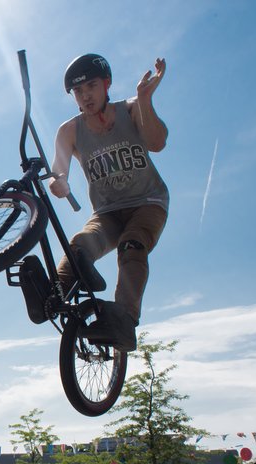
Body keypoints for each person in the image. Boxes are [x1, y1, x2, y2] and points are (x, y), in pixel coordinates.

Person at [48, 53, 169, 352]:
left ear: (106, 84)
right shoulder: (70, 130)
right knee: (80, 245)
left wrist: (145, 100)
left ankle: (124, 319)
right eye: (78, 91)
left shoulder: (130, 109)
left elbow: (157, 143)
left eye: (91, 86)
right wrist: (58, 183)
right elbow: (57, 171)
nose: (85, 96)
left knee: (132, 245)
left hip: (147, 203)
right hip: (107, 212)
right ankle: (52, 294)